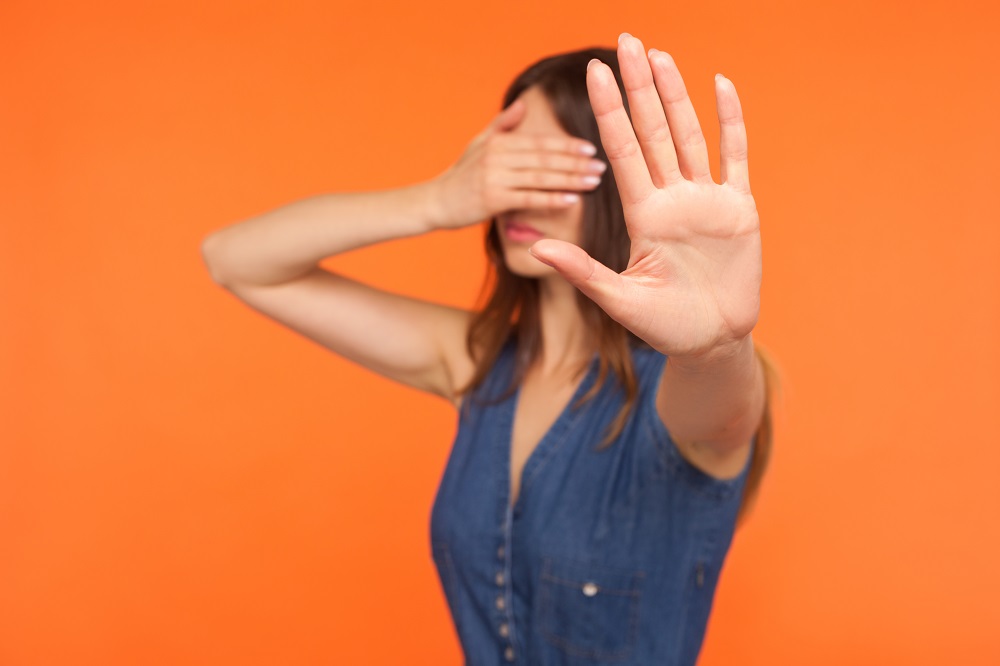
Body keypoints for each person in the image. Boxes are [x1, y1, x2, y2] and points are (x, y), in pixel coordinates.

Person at [201, 32, 774, 666]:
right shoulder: (479, 362)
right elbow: (235, 261)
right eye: (508, 166)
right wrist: (436, 200)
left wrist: (719, 343)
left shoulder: (685, 385)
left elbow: (724, 415)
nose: (516, 195)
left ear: (624, 182)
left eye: (552, 167)